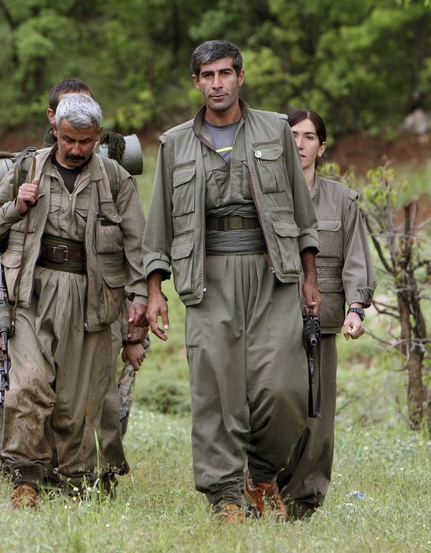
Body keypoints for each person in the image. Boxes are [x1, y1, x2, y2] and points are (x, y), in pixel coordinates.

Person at [142, 40, 321, 523]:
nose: (217, 84)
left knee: (283, 388)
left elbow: (302, 212)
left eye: (225, 73)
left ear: (241, 77)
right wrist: (155, 291)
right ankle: (225, 494)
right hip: (208, 276)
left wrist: (310, 276)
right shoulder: (175, 143)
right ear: (196, 82)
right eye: (207, 75)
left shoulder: (275, 129)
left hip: (272, 273)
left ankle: (261, 476)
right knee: (215, 390)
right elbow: (158, 224)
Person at [0, 93, 147, 507]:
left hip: (92, 299)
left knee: (76, 405)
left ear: (98, 136)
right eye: (68, 139)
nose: (75, 149)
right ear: (54, 128)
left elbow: (137, 247)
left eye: (85, 142)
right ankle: (26, 477)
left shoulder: (115, 179)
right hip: (31, 294)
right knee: (28, 386)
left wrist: (140, 300)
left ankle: (73, 481)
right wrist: (16, 207)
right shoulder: (27, 168)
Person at [277, 109, 376, 519]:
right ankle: (262, 486)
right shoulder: (265, 195)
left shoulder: (342, 200)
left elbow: (356, 260)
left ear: (321, 146)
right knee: (272, 404)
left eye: (308, 137)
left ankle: (302, 499)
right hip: (269, 320)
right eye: (292, 136)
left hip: (323, 320)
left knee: (317, 416)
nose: (300, 144)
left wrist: (356, 309)